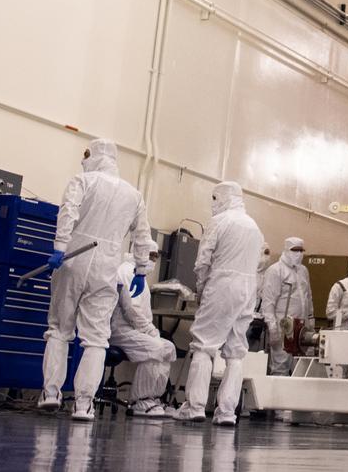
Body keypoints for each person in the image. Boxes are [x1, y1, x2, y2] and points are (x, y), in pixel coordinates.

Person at [41, 137, 151, 421]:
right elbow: (142, 235)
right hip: (108, 266)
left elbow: (68, 213)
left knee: (59, 328)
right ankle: (84, 405)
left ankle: (51, 394)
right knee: (96, 338)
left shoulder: (82, 181)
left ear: (93, 155)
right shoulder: (133, 194)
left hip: (74, 258)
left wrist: (59, 247)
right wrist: (140, 269)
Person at [173, 181, 264, 427]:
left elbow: (203, 260)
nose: (213, 203)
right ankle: (226, 412)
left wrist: (202, 290)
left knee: (204, 346)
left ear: (221, 197)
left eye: (214, 198)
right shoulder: (254, 226)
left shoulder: (220, 221)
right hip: (247, 289)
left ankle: (194, 406)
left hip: (222, 284)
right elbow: (257, 264)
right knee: (235, 352)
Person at [110, 236, 177, 417]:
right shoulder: (126, 272)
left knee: (168, 347)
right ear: (139, 253)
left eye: (156, 257)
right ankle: (140, 401)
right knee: (156, 347)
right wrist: (150, 331)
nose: (154, 261)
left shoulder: (139, 276)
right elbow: (131, 311)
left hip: (134, 330)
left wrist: (150, 331)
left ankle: (155, 399)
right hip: (120, 331)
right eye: (151, 256)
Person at [258, 236, 315, 376]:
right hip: (283, 326)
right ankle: (276, 397)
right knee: (280, 365)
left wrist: (311, 320)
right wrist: (272, 328)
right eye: (295, 250)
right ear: (287, 250)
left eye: (301, 250)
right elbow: (268, 302)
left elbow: (308, 297)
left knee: (300, 367)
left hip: (302, 328)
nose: (299, 253)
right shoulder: (275, 270)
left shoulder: (303, 271)